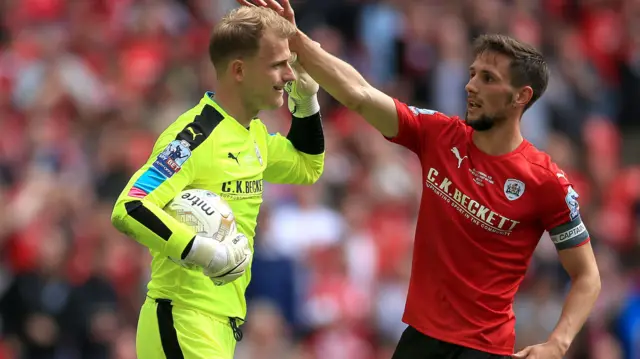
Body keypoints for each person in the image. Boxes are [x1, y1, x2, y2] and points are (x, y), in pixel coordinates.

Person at [238, 1, 601, 358]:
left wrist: (558, 342)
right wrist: (298, 40)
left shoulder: (545, 180)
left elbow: (587, 276)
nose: (471, 86)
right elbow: (360, 94)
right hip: (420, 341)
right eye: (472, 73)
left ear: (521, 97)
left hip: (487, 350)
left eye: (488, 79)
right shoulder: (438, 134)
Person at [110, 6, 325, 359]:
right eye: (277, 65)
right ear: (239, 70)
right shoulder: (193, 138)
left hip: (220, 326)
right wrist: (204, 252)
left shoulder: (255, 135)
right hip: (182, 319)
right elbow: (130, 207)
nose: (289, 74)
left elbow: (306, 166)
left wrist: (307, 102)